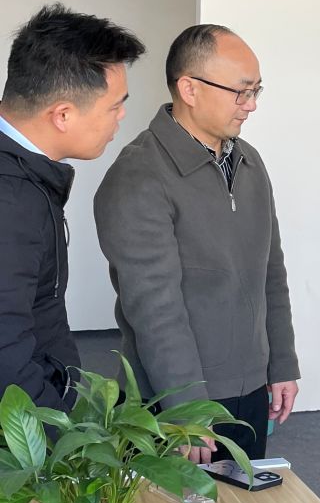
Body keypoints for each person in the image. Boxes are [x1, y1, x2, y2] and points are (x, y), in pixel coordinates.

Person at [94, 25, 300, 462]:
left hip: (249, 391)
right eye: (241, 92)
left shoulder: (248, 161)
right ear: (189, 88)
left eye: (256, 91)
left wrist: (281, 362)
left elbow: (271, 271)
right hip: (174, 402)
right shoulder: (140, 174)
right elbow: (155, 310)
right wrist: (187, 408)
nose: (251, 104)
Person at [0, 4, 144, 411]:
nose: (121, 116)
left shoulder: (26, 173)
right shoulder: (11, 200)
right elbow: (4, 355)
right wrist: (56, 433)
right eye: (114, 105)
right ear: (62, 114)